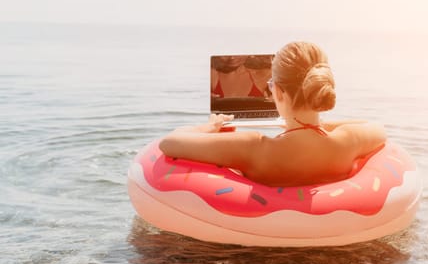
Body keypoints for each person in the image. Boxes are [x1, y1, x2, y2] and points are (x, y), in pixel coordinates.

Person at [160, 42, 386, 187]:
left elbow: (169, 143)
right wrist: (315, 125)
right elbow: (376, 128)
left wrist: (210, 128)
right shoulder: (347, 141)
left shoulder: (253, 147)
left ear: (277, 91)